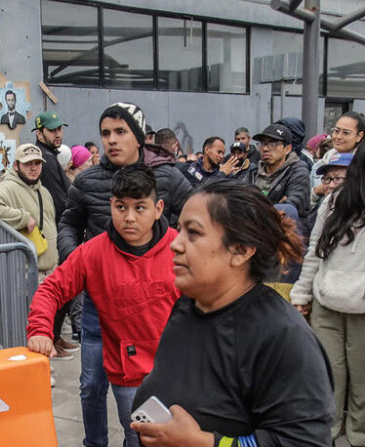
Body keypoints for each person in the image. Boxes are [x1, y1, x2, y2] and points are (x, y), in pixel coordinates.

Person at [130, 180, 334, 446]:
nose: (175, 244)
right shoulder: (187, 306)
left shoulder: (283, 337)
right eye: (180, 230)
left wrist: (205, 442)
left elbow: (305, 442)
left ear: (240, 251)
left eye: (193, 233)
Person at [58, 102, 192, 447]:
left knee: (140, 396)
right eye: (105, 133)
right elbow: (69, 223)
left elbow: (196, 217)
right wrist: (79, 261)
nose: (112, 140)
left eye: (121, 132)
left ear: (139, 136)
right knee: (91, 385)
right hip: (96, 303)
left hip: (146, 306)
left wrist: (171, 251)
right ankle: (95, 442)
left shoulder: (166, 177)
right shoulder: (88, 179)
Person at [28, 167, 179, 447]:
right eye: (121, 207)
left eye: (140, 208)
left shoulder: (180, 248)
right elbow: (51, 289)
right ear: (111, 205)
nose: (130, 217)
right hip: (128, 373)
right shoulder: (92, 253)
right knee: (138, 436)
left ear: (158, 209)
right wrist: (40, 329)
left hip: (176, 371)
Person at [291, 140, 365, 446]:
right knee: (325, 386)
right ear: (360, 171)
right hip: (327, 307)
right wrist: (301, 296)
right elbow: (316, 253)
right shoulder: (335, 202)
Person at [0, 144, 65, 354]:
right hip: (29, 272)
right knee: (32, 326)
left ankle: (42, 365)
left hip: (49, 269)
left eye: (37, 163)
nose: (34, 168)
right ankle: (37, 370)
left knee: (44, 324)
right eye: (28, 164)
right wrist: (21, 218)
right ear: (16, 165)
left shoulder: (42, 190)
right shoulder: (9, 187)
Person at [245, 123, 311, 218]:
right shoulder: (253, 172)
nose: (265, 149)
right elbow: (239, 203)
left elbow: (289, 209)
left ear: (288, 149)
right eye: (262, 143)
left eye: (273, 144)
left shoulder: (298, 172)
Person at [313, 111, 365, 204]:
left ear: (359, 136)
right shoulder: (325, 159)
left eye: (346, 133)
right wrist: (316, 192)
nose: (338, 137)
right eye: (336, 131)